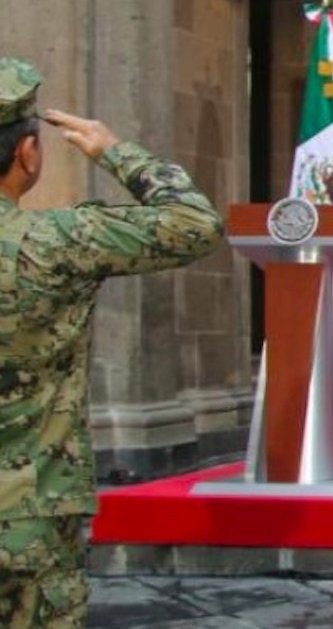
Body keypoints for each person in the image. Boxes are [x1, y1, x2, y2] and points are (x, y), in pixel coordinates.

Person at [0, 58, 224, 626]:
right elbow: (193, 224)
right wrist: (113, 150)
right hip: (29, 510)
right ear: (27, 153)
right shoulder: (59, 240)